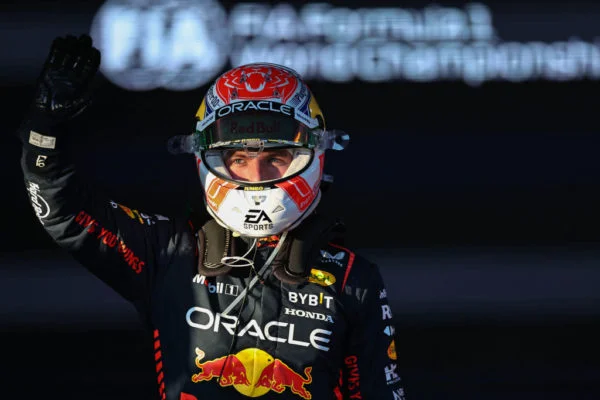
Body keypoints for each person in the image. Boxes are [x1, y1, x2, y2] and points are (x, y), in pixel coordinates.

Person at [17, 33, 408, 400]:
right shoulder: (169, 252)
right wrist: (43, 133)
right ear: (207, 159)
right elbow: (64, 212)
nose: (256, 175)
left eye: (275, 158)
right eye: (239, 160)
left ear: (314, 155)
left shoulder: (353, 279)